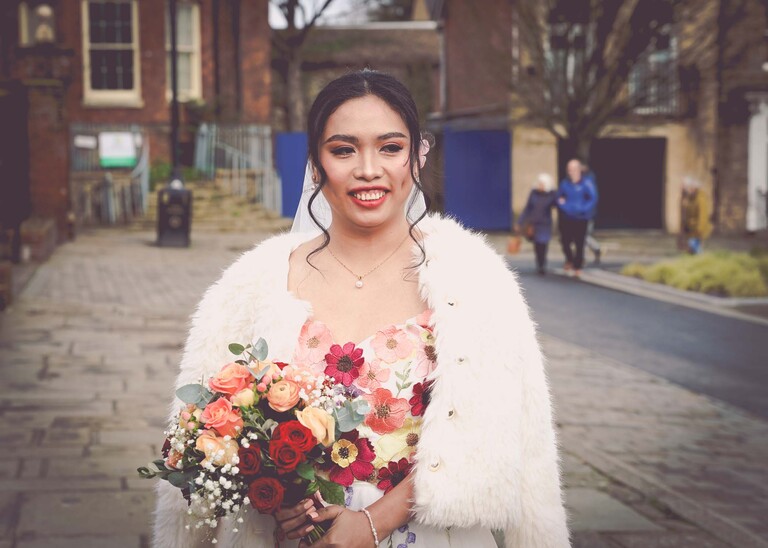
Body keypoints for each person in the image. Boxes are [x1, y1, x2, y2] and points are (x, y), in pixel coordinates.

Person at [152, 70, 570, 548]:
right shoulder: (253, 284)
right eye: (343, 150)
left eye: (390, 148)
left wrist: (372, 523)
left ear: (417, 158)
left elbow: (513, 441)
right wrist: (273, 490)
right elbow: (201, 443)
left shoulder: (474, 278)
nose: (368, 169)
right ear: (315, 164)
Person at [557, 158, 598, 277]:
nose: (571, 172)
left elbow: (592, 198)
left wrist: (583, 209)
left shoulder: (586, 183)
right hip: (567, 217)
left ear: (579, 170)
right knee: (565, 241)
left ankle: (577, 266)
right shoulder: (565, 184)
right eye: (569, 169)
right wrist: (564, 206)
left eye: (573, 169)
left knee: (580, 242)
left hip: (581, 218)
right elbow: (559, 198)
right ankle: (569, 259)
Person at [516, 173, 557, 274]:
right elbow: (528, 208)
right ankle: (539, 264)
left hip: (545, 224)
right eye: (539, 183)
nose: (540, 186)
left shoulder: (551, 195)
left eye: (542, 184)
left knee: (543, 243)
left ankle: (542, 264)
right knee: (537, 244)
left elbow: (557, 204)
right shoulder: (533, 193)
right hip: (534, 224)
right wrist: (520, 222)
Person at [681, 175, 713, 254]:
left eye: (687, 187)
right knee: (692, 250)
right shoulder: (690, 198)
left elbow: (703, 216)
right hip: (691, 229)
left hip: (697, 230)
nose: (686, 189)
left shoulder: (700, 198)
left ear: (693, 187)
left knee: (696, 250)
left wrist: (700, 230)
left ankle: (700, 258)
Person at [580, 163, 602, 265]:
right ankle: (594, 250)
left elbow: (592, 199)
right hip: (582, 213)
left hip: (587, 213)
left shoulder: (588, 181)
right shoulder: (584, 179)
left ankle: (594, 249)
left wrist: (585, 210)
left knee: (583, 235)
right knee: (582, 235)